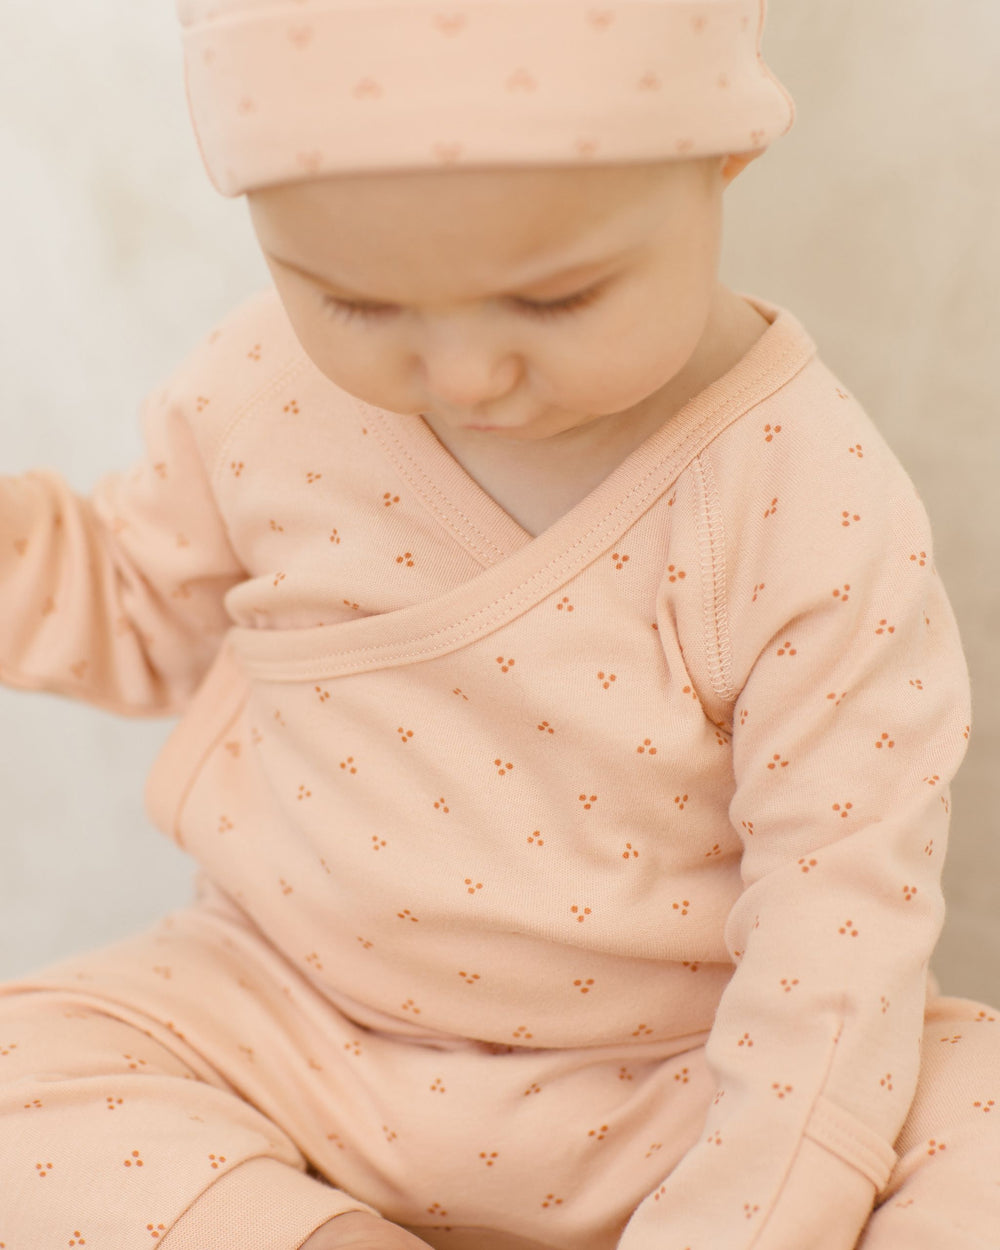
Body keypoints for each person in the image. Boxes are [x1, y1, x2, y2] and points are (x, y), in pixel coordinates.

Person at [1, 2, 997, 1248]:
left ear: (725, 152)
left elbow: (836, 922)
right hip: (294, 1023)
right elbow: (126, 603)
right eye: (355, 303)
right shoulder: (260, 391)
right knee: (22, 1078)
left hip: (676, 1076)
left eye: (556, 299)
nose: (466, 375)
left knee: (970, 1123)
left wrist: (742, 1213)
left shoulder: (803, 496)